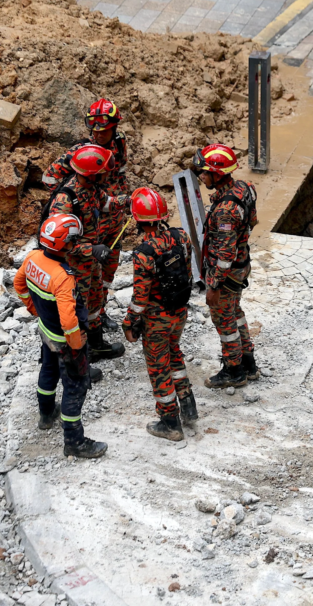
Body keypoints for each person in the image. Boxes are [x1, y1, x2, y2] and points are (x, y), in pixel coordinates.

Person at [14, 214, 108, 458]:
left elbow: (19, 283)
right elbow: (69, 320)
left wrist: (33, 309)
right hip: (65, 340)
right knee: (75, 387)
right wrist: (77, 346)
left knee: (47, 371)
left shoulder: (33, 258)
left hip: (46, 331)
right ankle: (74, 441)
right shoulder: (62, 276)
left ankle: (46, 415)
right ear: (65, 243)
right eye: (73, 241)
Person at [43, 99, 130, 332]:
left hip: (113, 217)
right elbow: (49, 178)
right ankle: (82, 327)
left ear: (115, 127)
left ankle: (99, 312)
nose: (98, 135)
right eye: (94, 130)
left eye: (104, 130)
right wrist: (74, 203)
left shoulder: (120, 144)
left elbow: (120, 176)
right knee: (86, 276)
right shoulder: (82, 152)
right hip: (91, 225)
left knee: (107, 272)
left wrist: (121, 201)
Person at [122, 187, 197, 441]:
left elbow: (140, 299)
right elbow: (187, 272)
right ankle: (188, 406)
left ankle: (170, 423)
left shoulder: (144, 253)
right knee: (174, 352)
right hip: (179, 312)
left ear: (138, 219)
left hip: (156, 320)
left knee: (158, 367)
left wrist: (129, 323)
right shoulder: (182, 237)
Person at [40, 144, 127, 362]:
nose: (108, 174)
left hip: (91, 264)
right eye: (104, 172)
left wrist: (127, 201)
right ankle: (79, 358)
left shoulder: (93, 189)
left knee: (95, 303)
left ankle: (97, 346)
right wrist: (92, 249)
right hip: (73, 268)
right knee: (77, 310)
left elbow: (106, 204)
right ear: (92, 175)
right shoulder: (66, 199)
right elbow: (57, 242)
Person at [191, 144, 260, 389]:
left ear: (217, 174)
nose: (201, 176)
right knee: (236, 312)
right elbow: (252, 222)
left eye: (204, 172)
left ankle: (234, 370)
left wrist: (213, 285)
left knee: (224, 320)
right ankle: (248, 363)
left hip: (228, 273)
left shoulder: (224, 212)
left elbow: (224, 255)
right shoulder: (245, 188)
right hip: (243, 265)